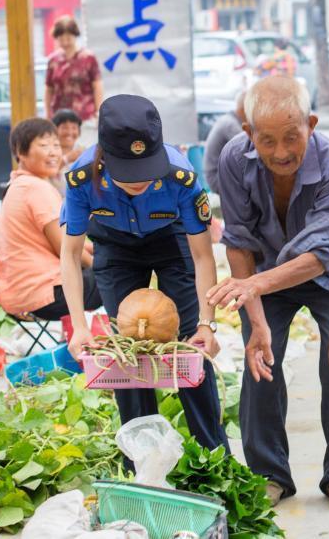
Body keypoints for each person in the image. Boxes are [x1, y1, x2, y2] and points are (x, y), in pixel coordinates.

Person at [207, 76, 329, 510]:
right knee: (260, 361)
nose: (281, 152)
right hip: (262, 274)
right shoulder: (233, 159)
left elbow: (321, 255)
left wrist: (253, 284)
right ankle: (268, 474)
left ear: (311, 124)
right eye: (268, 141)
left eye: (292, 137)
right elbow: (238, 240)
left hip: (328, 274)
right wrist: (256, 319)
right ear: (248, 135)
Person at [61, 94, 228, 458]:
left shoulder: (181, 178)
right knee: (130, 345)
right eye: (128, 174)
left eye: (145, 170)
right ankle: (144, 459)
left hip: (171, 241)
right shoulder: (80, 180)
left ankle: (212, 456)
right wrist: (80, 327)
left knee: (189, 347)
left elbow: (202, 256)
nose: (139, 182)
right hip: (115, 247)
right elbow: (71, 255)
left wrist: (207, 325)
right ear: (105, 156)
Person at [0, 118, 101, 320]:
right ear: (20, 152)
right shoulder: (36, 188)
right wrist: (100, 265)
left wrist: (95, 250)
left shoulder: (18, 184)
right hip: (47, 295)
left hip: (17, 295)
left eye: (56, 145)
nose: (53, 152)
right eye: (44, 146)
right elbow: (66, 249)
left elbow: (59, 240)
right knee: (120, 274)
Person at [45, 15, 103, 146]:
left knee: (85, 152)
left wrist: (99, 112)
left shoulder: (88, 58)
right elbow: (49, 89)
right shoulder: (53, 60)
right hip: (59, 117)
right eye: (61, 38)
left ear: (75, 36)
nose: (65, 42)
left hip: (85, 115)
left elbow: (97, 85)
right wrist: (48, 113)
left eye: (68, 38)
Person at [203, 92, 246, 194]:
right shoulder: (231, 125)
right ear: (244, 109)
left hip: (216, 175)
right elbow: (248, 149)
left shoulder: (229, 120)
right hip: (217, 178)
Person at [50, 108, 86, 196]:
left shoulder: (84, 152)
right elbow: (45, 175)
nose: (70, 132)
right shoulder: (49, 152)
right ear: (54, 130)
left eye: (74, 127)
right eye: (64, 127)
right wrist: (66, 159)